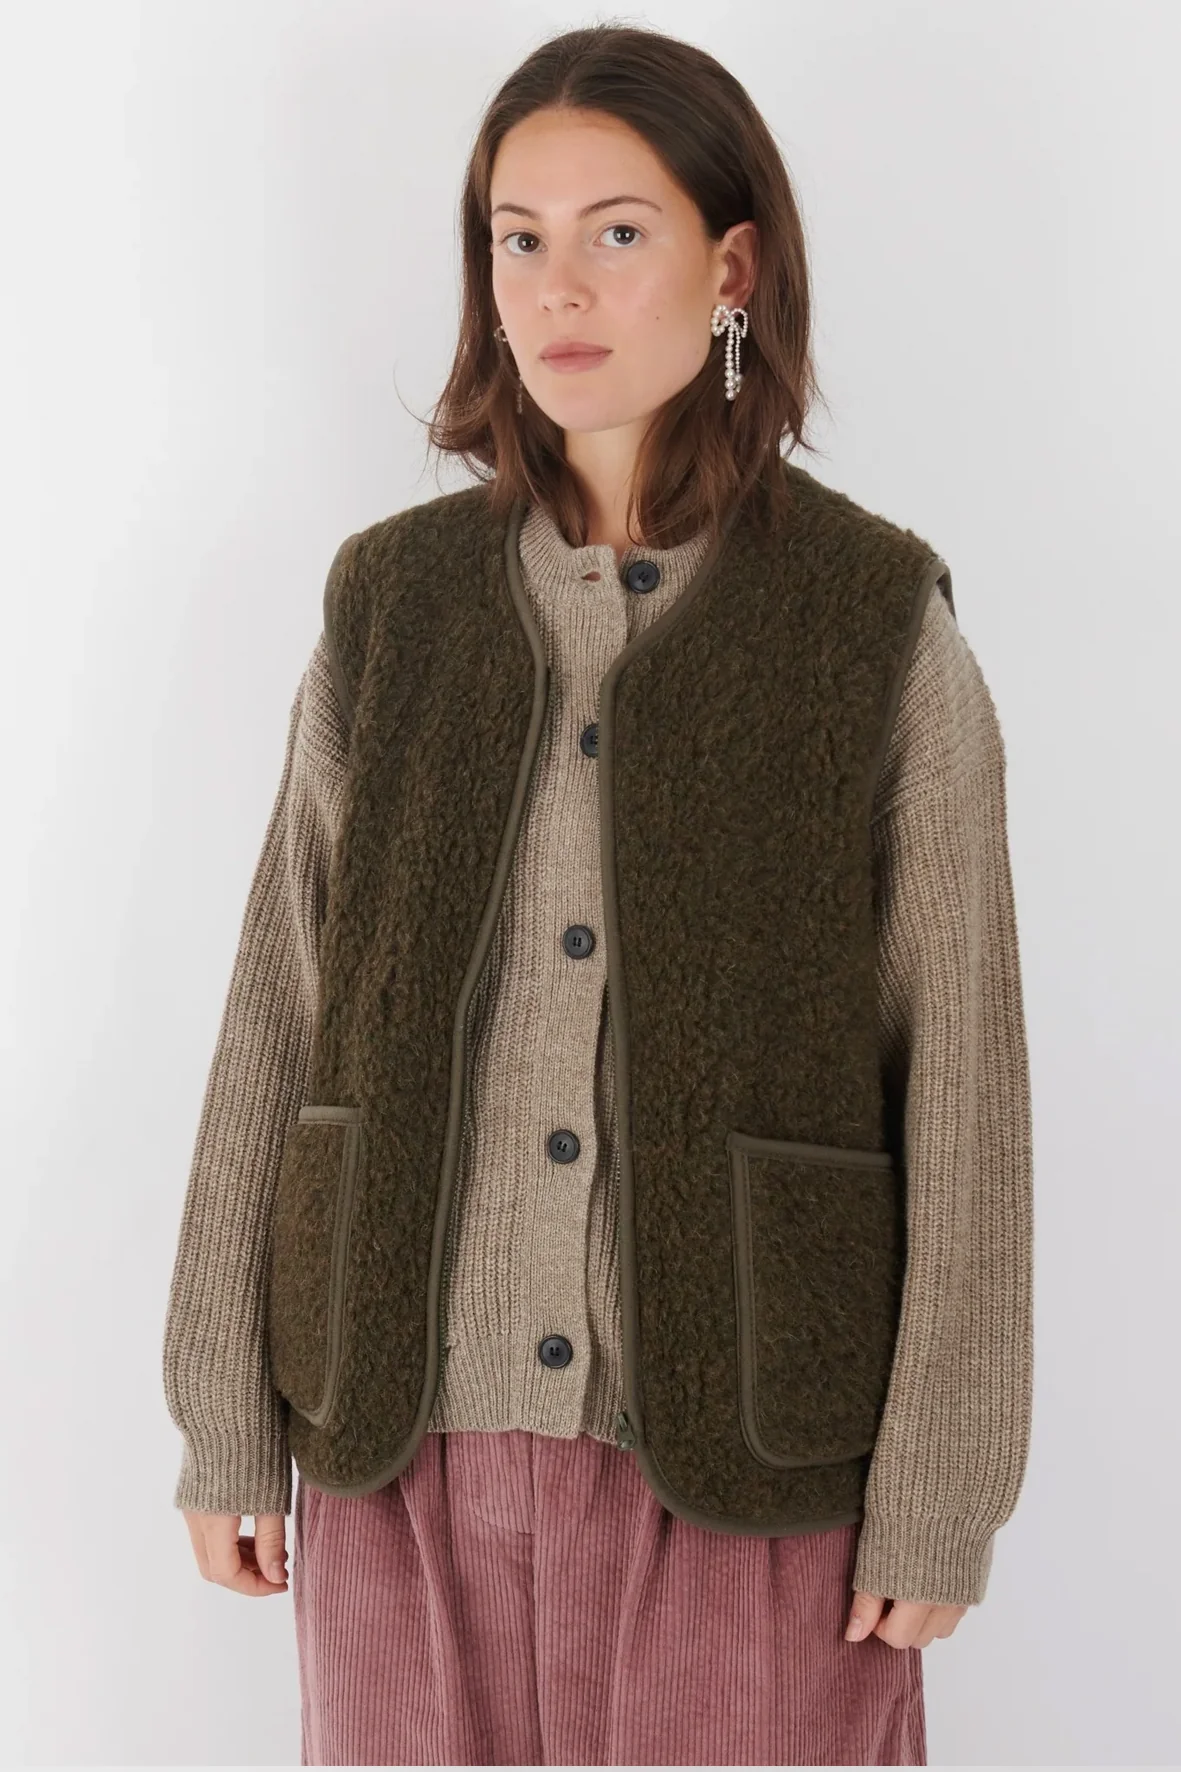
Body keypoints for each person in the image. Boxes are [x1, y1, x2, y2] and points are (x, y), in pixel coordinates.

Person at [162, 22, 1034, 1767]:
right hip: (400, 1436)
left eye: (618, 232)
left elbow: (962, 1071)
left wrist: (946, 1478)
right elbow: (281, 1003)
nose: (557, 287)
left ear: (733, 269)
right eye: (519, 237)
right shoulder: (390, 606)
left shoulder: (872, 625)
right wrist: (221, 1409)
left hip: (745, 1457)